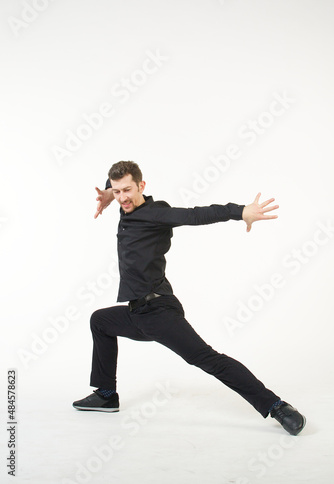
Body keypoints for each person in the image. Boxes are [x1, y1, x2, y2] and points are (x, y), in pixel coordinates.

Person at [73, 160, 306, 435]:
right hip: (137, 313)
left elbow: (195, 215)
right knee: (100, 320)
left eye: (127, 190)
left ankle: (277, 406)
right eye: (117, 191)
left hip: (159, 312)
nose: (122, 197)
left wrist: (240, 211)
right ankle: (106, 394)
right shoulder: (126, 205)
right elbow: (116, 184)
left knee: (209, 359)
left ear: (142, 186)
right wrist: (107, 194)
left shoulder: (155, 213)